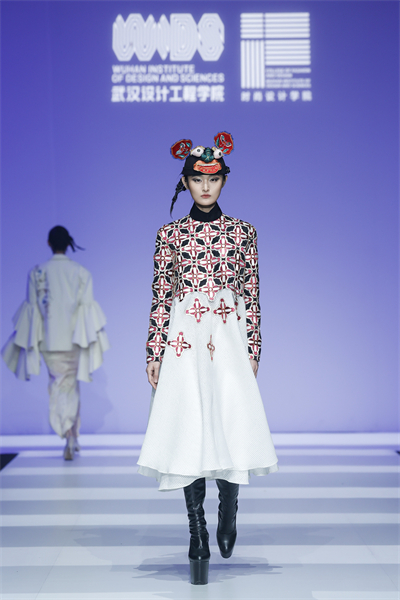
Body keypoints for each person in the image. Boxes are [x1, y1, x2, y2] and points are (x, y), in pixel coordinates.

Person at [137, 133, 278, 585]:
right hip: (183, 340)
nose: (204, 187)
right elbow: (161, 295)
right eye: (197, 179)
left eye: (212, 180)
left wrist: (253, 348)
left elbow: (252, 295)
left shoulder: (243, 232)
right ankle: (196, 532)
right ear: (185, 182)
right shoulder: (169, 235)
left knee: (230, 422)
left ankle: (229, 507)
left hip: (229, 339)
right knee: (190, 428)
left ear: (223, 182)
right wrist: (154, 350)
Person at [2, 226, 110, 460]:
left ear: (49, 243)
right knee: (70, 386)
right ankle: (71, 436)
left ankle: (69, 435)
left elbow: (33, 311)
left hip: (50, 342)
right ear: (68, 244)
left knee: (59, 386)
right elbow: (86, 310)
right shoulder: (81, 273)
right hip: (75, 340)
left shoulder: (37, 272)